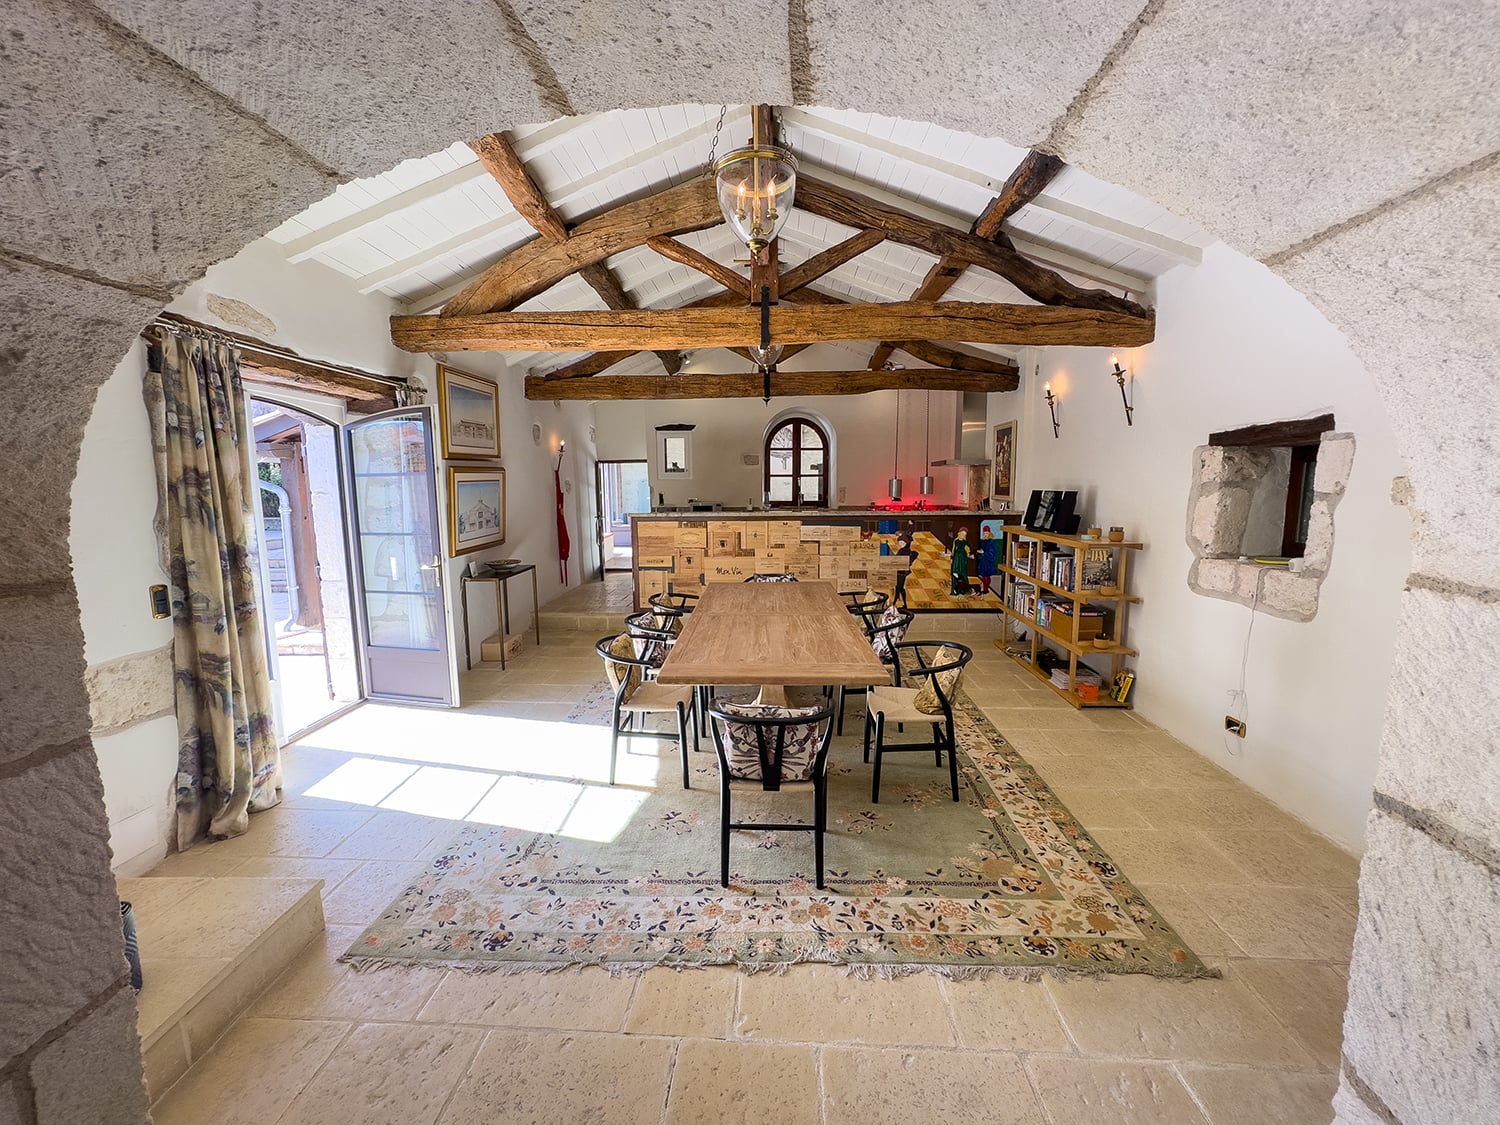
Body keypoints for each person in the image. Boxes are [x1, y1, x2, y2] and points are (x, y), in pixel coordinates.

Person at [976, 524, 1000, 593]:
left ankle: (986, 589)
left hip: (988, 562)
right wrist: (979, 554)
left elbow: (992, 553)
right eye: (984, 533)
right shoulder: (983, 542)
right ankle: (985, 588)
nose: (985, 534)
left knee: (986, 576)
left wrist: (984, 552)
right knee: (984, 576)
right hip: (983, 561)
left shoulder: (992, 542)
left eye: (986, 533)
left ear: (989, 533)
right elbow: (981, 550)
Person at [948, 527, 973, 595]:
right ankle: (954, 591)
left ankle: (965, 590)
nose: (963, 536)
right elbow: (953, 550)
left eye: (964, 535)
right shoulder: (955, 541)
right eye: (962, 534)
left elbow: (968, 550)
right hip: (956, 560)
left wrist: (970, 555)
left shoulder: (965, 542)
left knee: (963, 574)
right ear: (959, 533)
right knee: (954, 574)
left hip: (962, 560)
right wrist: (951, 558)